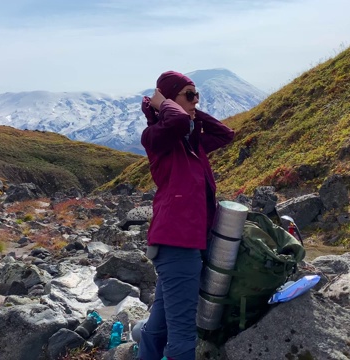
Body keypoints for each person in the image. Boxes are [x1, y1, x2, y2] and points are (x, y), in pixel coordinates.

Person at [138, 71, 235, 360]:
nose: (196, 100)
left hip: (184, 242)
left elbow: (225, 134)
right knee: (182, 334)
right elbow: (178, 121)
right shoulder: (156, 138)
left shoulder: (192, 143)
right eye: (189, 95)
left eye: (197, 95)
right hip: (177, 242)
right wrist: (167, 105)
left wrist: (192, 111)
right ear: (169, 101)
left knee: (159, 325)